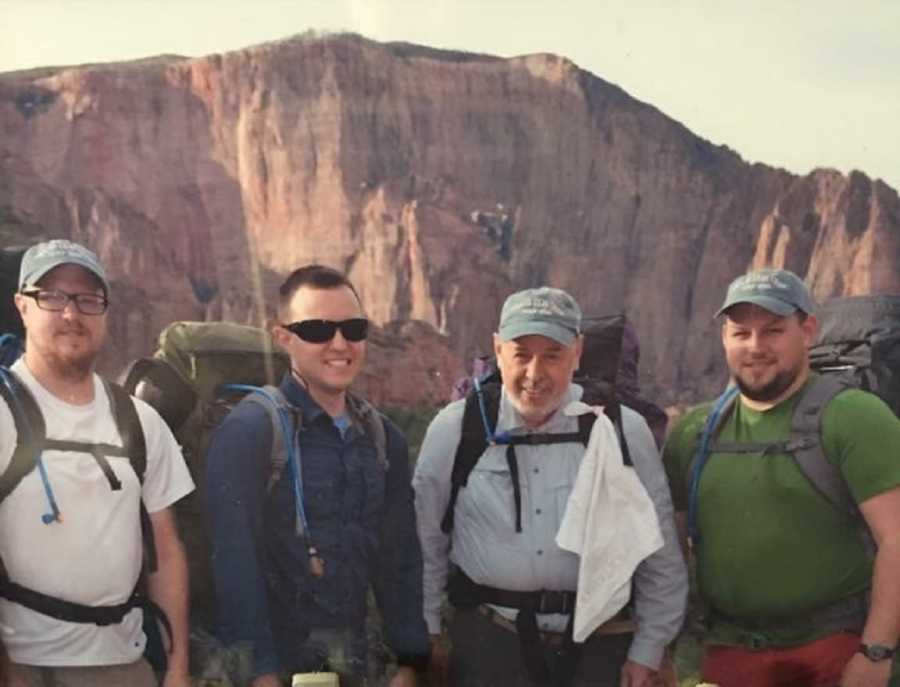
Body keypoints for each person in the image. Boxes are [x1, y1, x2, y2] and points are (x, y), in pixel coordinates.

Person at [413, 286, 687, 687]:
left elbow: (659, 553)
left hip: (600, 647)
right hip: (490, 645)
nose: (534, 373)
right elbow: (425, 542)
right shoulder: (458, 428)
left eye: (553, 355)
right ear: (499, 349)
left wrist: (648, 650)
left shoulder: (621, 429)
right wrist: (428, 633)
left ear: (576, 352)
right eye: (522, 354)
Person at [663, 268, 900, 687]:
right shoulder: (692, 432)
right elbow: (670, 553)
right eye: (741, 333)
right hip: (725, 654)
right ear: (724, 338)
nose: (755, 346)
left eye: (773, 330)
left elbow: (896, 539)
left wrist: (876, 653)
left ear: (807, 331)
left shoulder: (855, 418)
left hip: (834, 653)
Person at [206, 264, 430, 686]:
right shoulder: (251, 432)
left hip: (356, 665)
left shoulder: (384, 440)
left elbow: (398, 561)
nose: (339, 344)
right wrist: (260, 674)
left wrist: (409, 660)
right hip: (279, 665)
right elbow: (236, 565)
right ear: (283, 337)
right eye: (317, 330)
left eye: (353, 328)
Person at [0, 239, 194, 687]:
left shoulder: (141, 422)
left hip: (126, 667)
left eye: (88, 299)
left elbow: (166, 551)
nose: (72, 313)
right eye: (51, 296)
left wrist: (178, 666)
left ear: (105, 312)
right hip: (23, 666)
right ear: (22, 306)